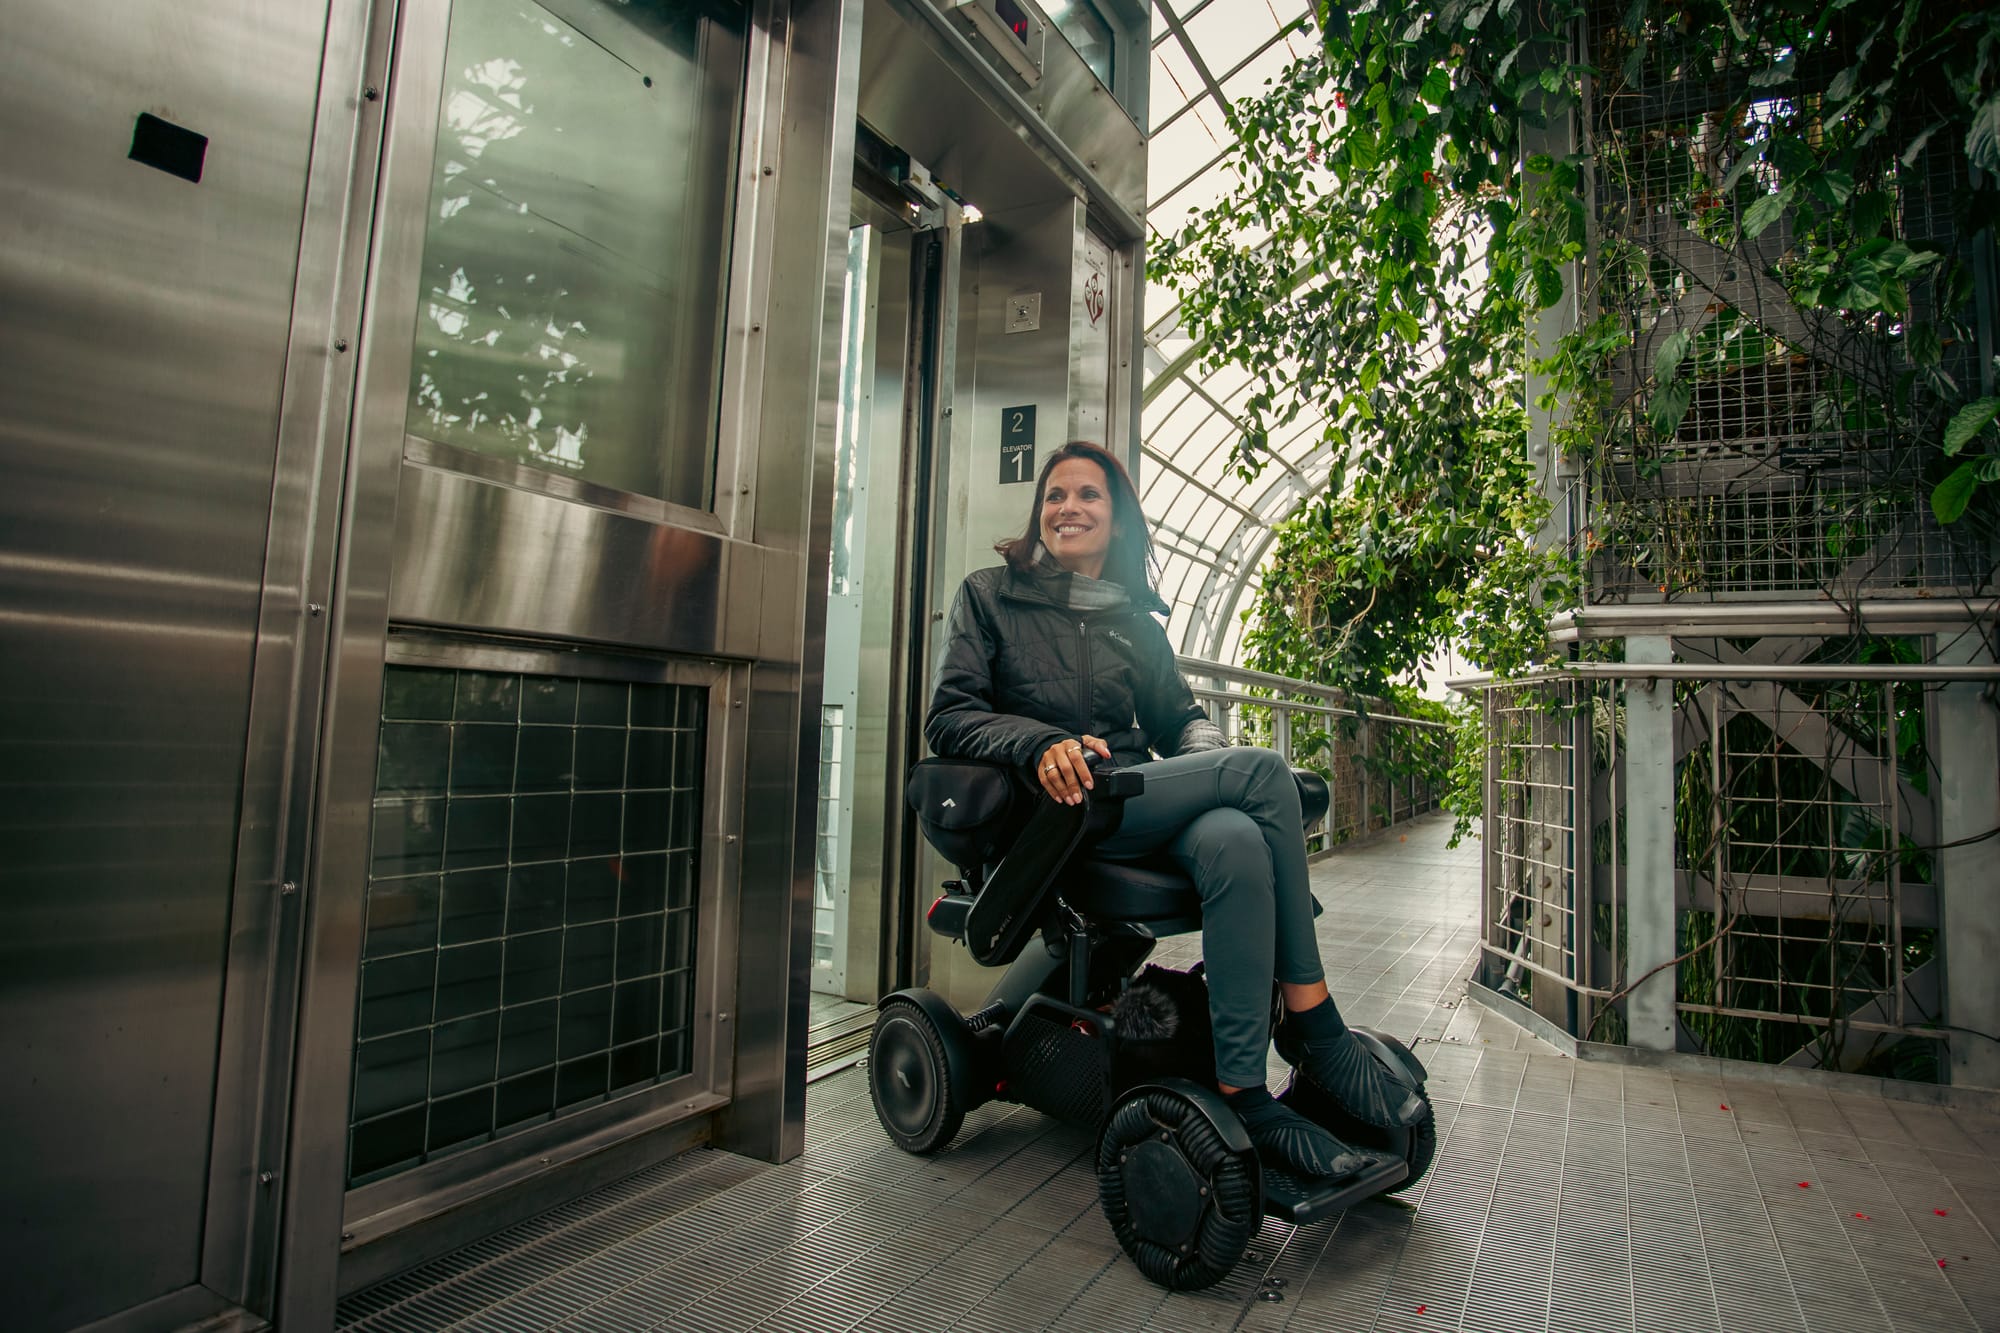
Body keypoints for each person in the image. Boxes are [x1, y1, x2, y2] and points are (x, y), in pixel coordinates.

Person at [924, 440, 1424, 1182]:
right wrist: (1042, 744)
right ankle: (1315, 1025)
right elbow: (951, 715)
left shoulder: (1136, 623)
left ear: (1118, 520)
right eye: (1054, 496)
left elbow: (1180, 718)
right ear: (1038, 516)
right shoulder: (989, 595)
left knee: (1233, 840)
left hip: (1129, 799)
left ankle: (1242, 1092)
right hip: (1055, 814)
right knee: (1258, 774)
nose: (1068, 508)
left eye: (1088, 495)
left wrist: (1203, 748)